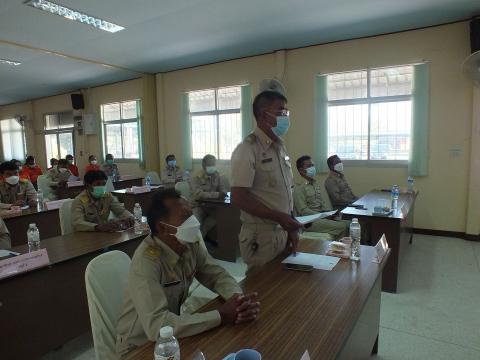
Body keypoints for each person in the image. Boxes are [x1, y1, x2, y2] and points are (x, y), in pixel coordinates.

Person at [115, 189, 259, 356]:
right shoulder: (146, 263)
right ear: (163, 227)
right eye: (185, 217)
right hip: (139, 346)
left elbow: (215, 274)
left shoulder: (188, 243)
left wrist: (236, 298)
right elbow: (156, 325)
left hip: (172, 335)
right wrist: (221, 315)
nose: (194, 222)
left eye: (191, 214)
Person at [231, 90, 302, 269]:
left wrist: (290, 225)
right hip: (260, 237)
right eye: (281, 111)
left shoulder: (279, 147)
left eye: (287, 111)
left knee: (281, 288)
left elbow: (286, 191)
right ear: (264, 115)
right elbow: (239, 197)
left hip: (282, 231)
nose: (286, 116)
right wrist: (279, 217)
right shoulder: (247, 149)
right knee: (261, 290)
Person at [294, 155, 349, 239]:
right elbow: (303, 210)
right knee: (342, 226)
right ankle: (338, 249)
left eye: (313, 165)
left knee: (349, 223)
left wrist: (330, 213)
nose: (312, 168)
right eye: (309, 166)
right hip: (309, 221)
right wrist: (322, 215)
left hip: (320, 217)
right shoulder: (298, 187)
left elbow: (321, 203)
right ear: (301, 170)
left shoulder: (315, 183)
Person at [191, 154, 229, 238]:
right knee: (197, 224)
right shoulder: (196, 176)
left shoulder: (217, 175)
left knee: (222, 216)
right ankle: (197, 241)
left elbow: (223, 190)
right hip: (198, 206)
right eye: (210, 165)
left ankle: (201, 240)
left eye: (214, 164)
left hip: (211, 206)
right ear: (203, 165)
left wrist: (223, 192)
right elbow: (198, 195)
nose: (212, 167)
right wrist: (217, 194)